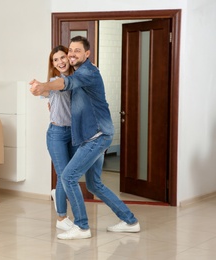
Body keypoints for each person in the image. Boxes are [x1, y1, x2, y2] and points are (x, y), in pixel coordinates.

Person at [30, 36, 140, 240]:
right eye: (70, 50)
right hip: (91, 137)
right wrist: (45, 91)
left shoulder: (87, 72)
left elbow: (66, 83)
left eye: (76, 51)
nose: (71, 54)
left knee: (68, 177)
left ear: (87, 54)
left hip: (96, 137)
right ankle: (130, 220)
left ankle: (81, 227)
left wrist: (44, 85)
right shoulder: (85, 71)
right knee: (94, 184)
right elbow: (61, 87)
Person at [43, 45, 77, 231]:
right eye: (55, 60)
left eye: (62, 57)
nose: (60, 62)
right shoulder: (55, 81)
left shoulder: (77, 79)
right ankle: (62, 218)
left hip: (74, 133)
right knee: (64, 174)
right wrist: (40, 88)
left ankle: (58, 195)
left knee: (69, 175)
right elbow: (48, 90)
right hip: (56, 134)